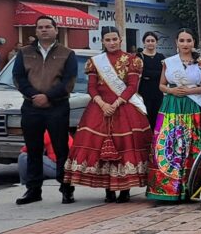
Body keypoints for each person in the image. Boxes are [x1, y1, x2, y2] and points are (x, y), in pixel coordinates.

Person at [64, 29, 151, 202]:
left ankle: (125, 189)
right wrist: (102, 104)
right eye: (108, 40)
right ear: (102, 41)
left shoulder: (132, 60)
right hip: (99, 108)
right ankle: (108, 190)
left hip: (125, 107)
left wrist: (116, 103)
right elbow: (91, 87)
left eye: (114, 39)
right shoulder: (95, 62)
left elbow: (132, 87)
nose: (112, 43)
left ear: (120, 39)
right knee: (100, 148)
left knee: (123, 146)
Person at [12, 16, 78, 205]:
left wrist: (48, 97)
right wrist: (34, 96)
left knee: (61, 149)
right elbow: (18, 78)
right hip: (31, 106)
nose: (44, 30)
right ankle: (33, 190)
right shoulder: (24, 53)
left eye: (48, 26)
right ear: (36, 31)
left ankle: (67, 189)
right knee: (33, 149)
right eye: (40, 27)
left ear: (56, 30)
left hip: (57, 106)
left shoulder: (67, 53)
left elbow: (69, 81)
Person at [147, 28, 201, 202]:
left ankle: (192, 187)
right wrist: (172, 90)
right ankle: (167, 190)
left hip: (193, 105)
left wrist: (190, 91)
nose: (185, 44)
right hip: (171, 105)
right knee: (170, 143)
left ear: (194, 43)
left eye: (189, 40)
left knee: (191, 144)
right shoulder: (168, 62)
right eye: (182, 40)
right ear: (176, 42)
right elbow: (161, 85)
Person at [137, 31, 165, 130]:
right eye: (147, 41)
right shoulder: (139, 57)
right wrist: (155, 74)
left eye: (152, 40)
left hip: (158, 92)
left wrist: (149, 75)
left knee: (158, 118)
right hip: (144, 92)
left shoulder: (161, 57)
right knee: (145, 117)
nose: (150, 43)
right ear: (144, 42)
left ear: (156, 42)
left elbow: (164, 73)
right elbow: (142, 73)